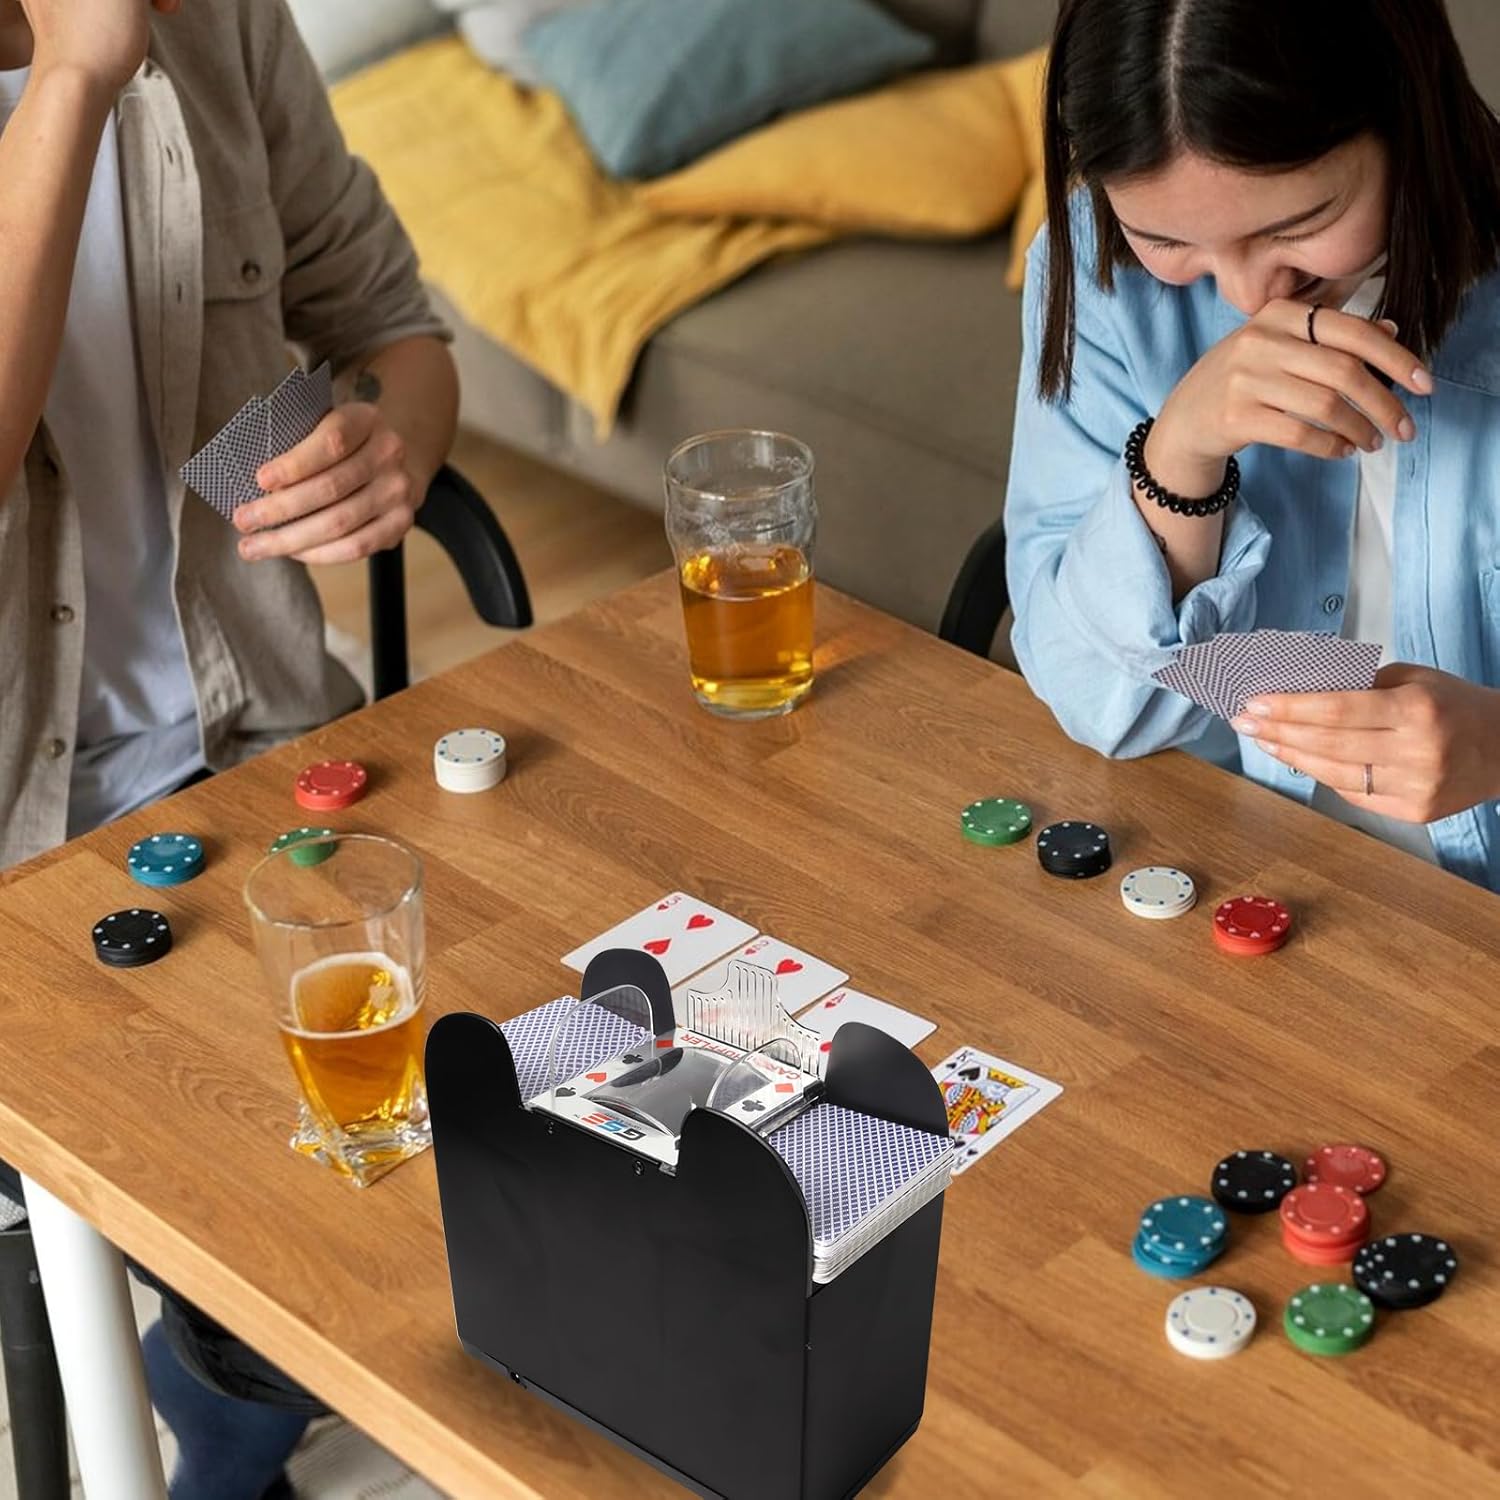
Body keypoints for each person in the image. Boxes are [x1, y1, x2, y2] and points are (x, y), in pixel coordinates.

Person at [0, 0, 459, 1494]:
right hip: (16, 854)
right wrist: (74, 79)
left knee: (480, 1085)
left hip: (261, 748)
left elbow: (390, 325)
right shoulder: (105, 47)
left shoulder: (218, 23)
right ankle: (229, 1414)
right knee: (278, 1187)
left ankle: (218, 1400)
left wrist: (391, 446)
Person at [1004, 0, 1500, 893]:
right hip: (1247, 872)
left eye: (1296, 226)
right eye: (1166, 239)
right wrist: (1179, 455)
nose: (1244, 296)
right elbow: (1102, 705)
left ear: (1407, 106)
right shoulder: (1097, 271)